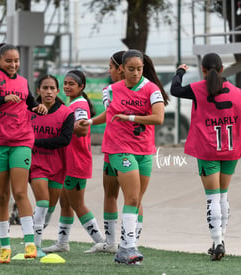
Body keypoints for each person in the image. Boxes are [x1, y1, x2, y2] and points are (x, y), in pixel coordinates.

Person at [81, 51, 167, 254]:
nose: (136, 72)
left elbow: (158, 118)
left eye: (139, 68)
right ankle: (121, 245)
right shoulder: (110, 91)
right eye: (132, 69)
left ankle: (129, 243)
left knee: (135, 198)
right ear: (124, 69)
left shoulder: (151, 89)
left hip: (143, 150)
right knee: (119, 195)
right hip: (117, 149)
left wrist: (130, 117)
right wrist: (91, 121)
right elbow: (111, 114)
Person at [0, 43, 48, 263]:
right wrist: (1, 100)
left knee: (20, 192)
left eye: (16, 61)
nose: (13, 65)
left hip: (21, 141)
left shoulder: (22, 82)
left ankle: (30, 243)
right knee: (2, 195)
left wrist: (38, 108)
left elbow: (30, 103)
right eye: (9, 61)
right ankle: (5, 246)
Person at [170, 53, 241, 261]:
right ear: (222, 69)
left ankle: (217, 242)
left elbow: (174, 90)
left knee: (212, 197)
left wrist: (180, 71)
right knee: (223, 196)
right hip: (232, 149)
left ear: (203, 70)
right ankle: (221, 239)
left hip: (209, 149)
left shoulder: (198, 89)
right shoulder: (236, 92)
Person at [42, 70, 105, 254]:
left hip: (76, 160)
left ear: (81, 86)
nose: (67, 87)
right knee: (65, 203)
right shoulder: (73, 103)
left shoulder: (79, 105)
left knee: (78, 204)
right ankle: (62, 242)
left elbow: (82, 129)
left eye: (72, 84)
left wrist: (61, 128)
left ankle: (101, 242)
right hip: (67, 159)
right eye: (66, 83)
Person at [29, 74, 74, 257]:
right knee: (42, 203)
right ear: (38, 90)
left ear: (57, 91)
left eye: (52, 88)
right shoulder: (29, 111)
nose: (48, 91)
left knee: (50, 206)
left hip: (57, 166)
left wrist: (35, 142)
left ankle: (32, 233)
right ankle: (34, 247)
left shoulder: (66, 113)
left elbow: (64, 139)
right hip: (36, 164)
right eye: (44, 88)